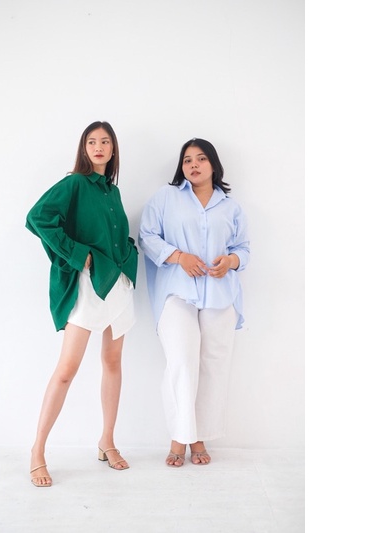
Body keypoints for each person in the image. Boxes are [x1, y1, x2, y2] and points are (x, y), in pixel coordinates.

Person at [25, 121, 138, 487]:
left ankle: (107, 441)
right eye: (91, 141)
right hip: (89, 286)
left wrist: (129, 255)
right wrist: (78, 255)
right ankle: (38, 450)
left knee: (113, 362)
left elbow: (117, 236)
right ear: (84, 148)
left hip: (117, 285)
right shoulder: (74, 183)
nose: (98, 146)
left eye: (105, 141)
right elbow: (37, 218)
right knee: (66, 369)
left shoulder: (113, 192)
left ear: (113, 149)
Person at [138, 138, 250, 467]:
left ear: (213, 165)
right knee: (182, 361)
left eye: (201, 159)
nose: (194, 165)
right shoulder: (166, 198)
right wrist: (179, 256)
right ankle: (179, 436)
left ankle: (198, 436)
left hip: (220, 295)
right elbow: (147, 236)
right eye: (187, 160)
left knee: (213, 366)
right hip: (177, 292)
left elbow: (243, 249)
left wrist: (230, 261)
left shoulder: (231, 208)